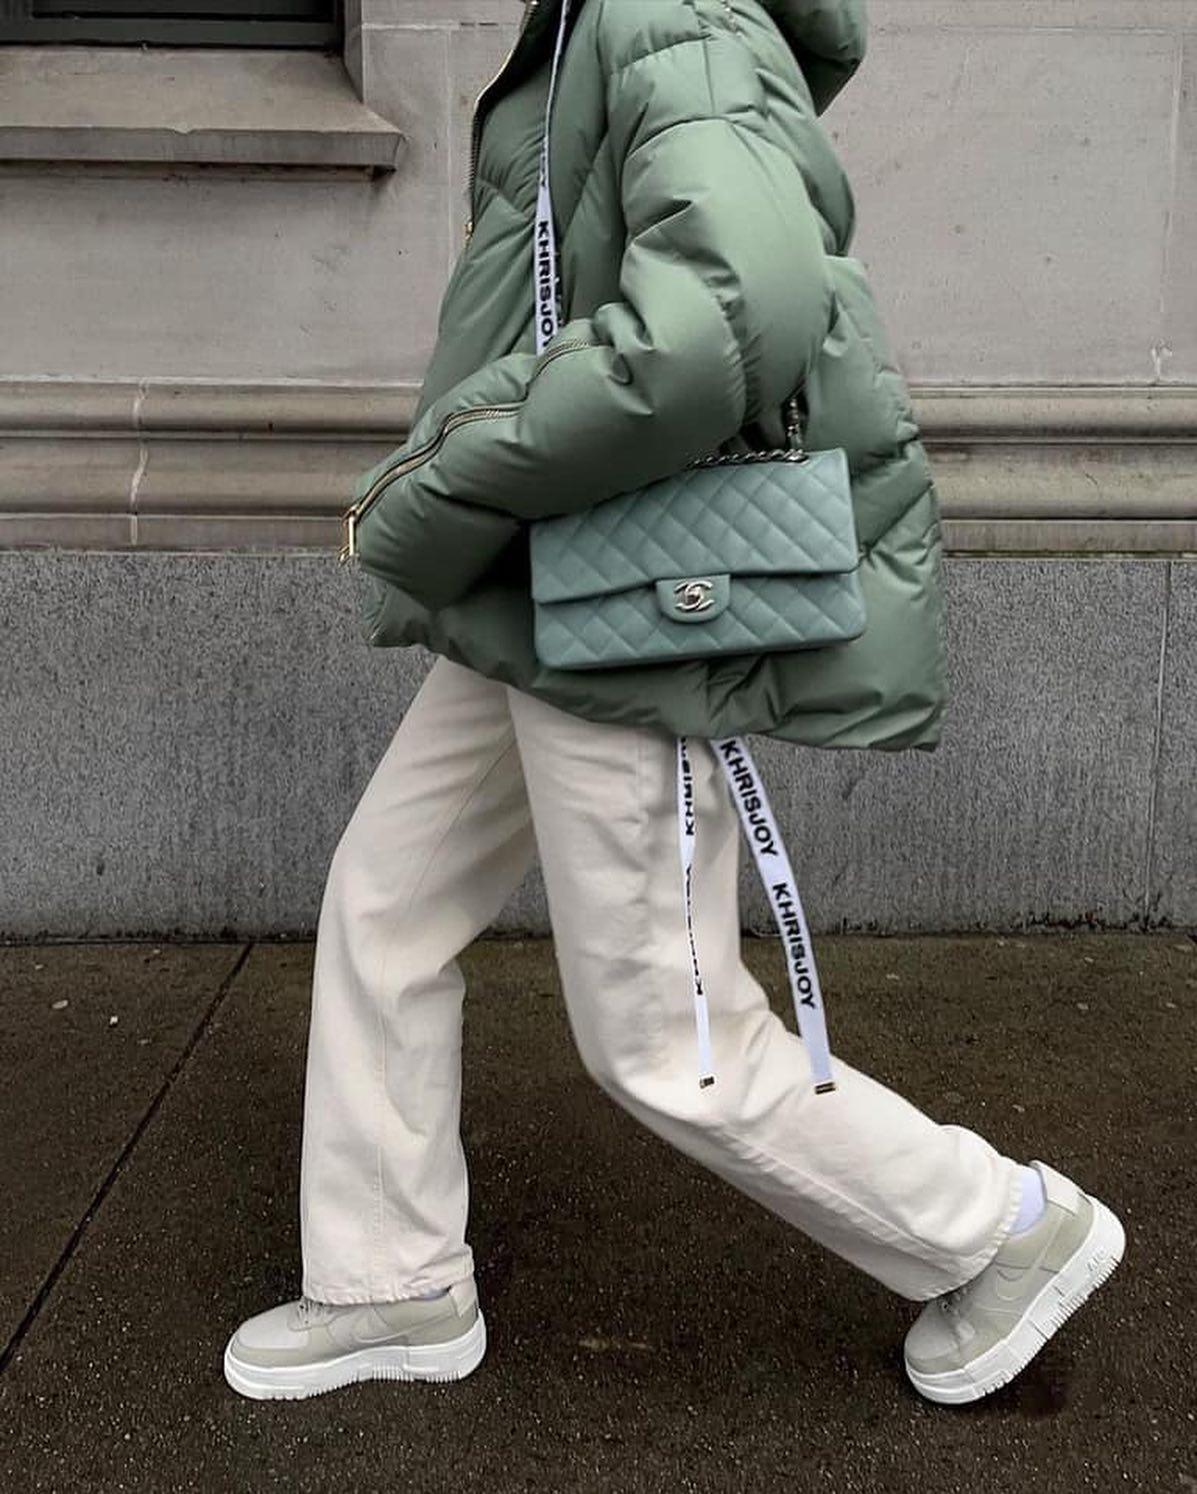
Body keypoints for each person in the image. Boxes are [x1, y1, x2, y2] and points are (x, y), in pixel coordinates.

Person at [223, 0, 1123, 1405]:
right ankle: (389, 1280)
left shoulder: (668, 17)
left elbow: (722, 321)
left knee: (665, 1036)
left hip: (619, 596)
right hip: (552, 573)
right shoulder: (608, 17)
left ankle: (997, 1230)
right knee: (387, 906)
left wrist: (450, 466)